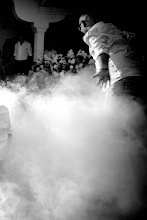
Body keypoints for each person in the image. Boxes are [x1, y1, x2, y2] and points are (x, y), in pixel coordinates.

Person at [78, 12, 147, 219]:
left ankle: (120, 192)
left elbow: (100, 47)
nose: (80, 26)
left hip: (122, 82)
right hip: (139, 79)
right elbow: (131, 38)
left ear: (87, 21)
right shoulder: (115, 29)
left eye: (82, 22)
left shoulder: (95, 30)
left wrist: (102, 69)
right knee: (137, 135)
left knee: (116, 136)